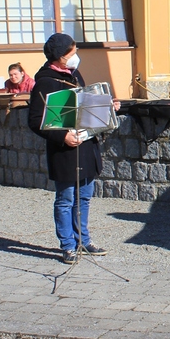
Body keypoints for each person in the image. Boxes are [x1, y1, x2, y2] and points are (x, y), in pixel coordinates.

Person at [27, 33, 110, 264]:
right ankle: (68, 246)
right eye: (72, 54)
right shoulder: (45, 82)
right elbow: (35, 120)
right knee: (66, 200)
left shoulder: (74, 75)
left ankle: (83, 240)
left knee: (84, 198)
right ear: (60, 57)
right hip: (64, 150)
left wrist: (106, 106)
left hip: (85, 145)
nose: (76, 57)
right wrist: (62, 136)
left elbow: (84, 106)